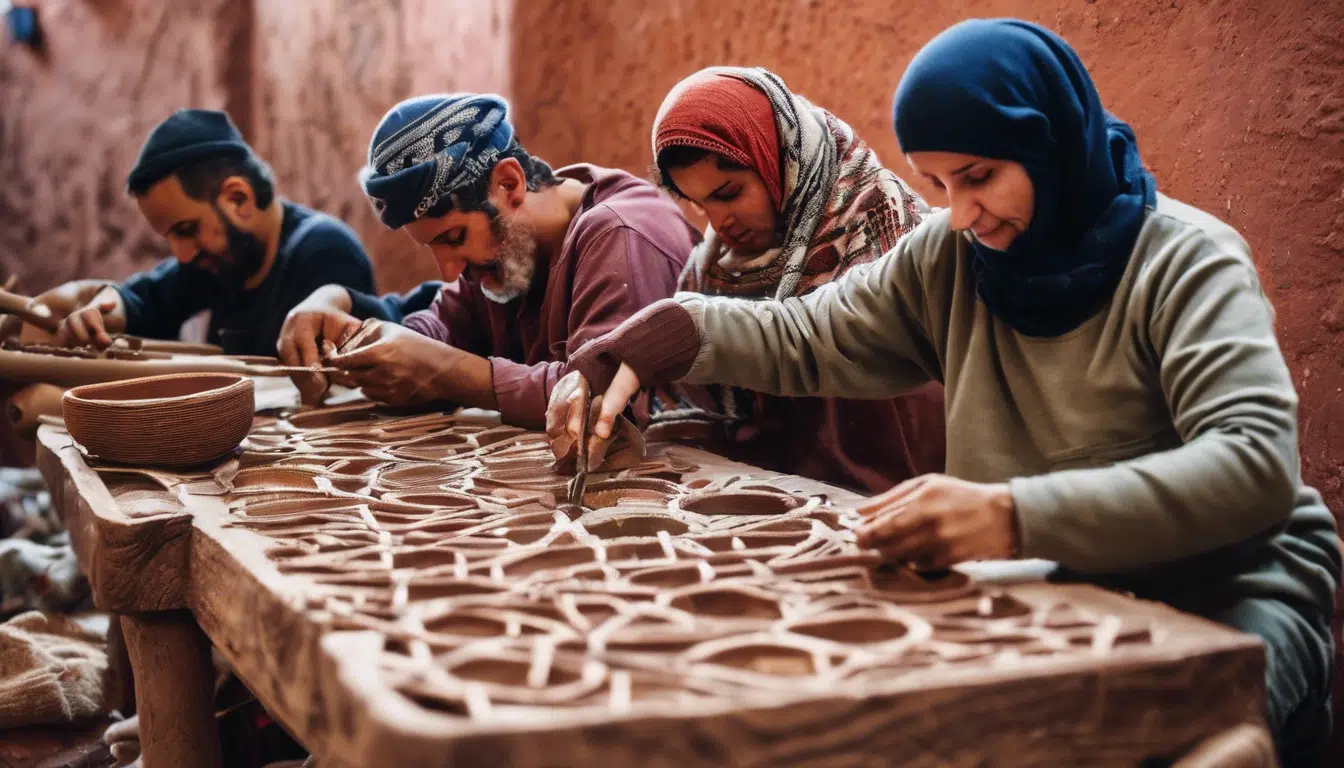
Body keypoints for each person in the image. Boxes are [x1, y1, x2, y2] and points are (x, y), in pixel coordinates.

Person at [549, 20, 1340, 765]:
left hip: (1231, 591)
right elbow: (811, 336)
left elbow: (1252, 468)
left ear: (1051, 141)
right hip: (1055, 586)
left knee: (1196, 741)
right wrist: (658, 335)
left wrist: (1011, 515)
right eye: (937, 183)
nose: (960, 213)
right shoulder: (952, 259)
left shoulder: (1187, 263)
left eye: (980, 177)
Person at [280, 93, 699, 429]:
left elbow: (598, 400)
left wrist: (446, 372)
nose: (449, 269)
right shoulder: (506, 252)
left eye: (454, 238)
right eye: (433, 248)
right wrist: (343, 317)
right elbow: (436, 334)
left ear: (509, 183)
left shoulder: (621, 233)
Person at [643, 66, 945, 492]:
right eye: (700, 205)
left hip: (894, 493)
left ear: (779, 160)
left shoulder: (881, 226)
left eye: (728, 194)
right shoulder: (713, 267)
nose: (719, 222)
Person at [49, 109, 378, 357]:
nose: (182, 254)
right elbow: (148, 300)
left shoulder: (326, 253)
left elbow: (338, 391)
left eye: (186, 230)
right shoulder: (218, 262)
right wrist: (107, 310)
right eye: (170, 238)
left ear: (238, 199)